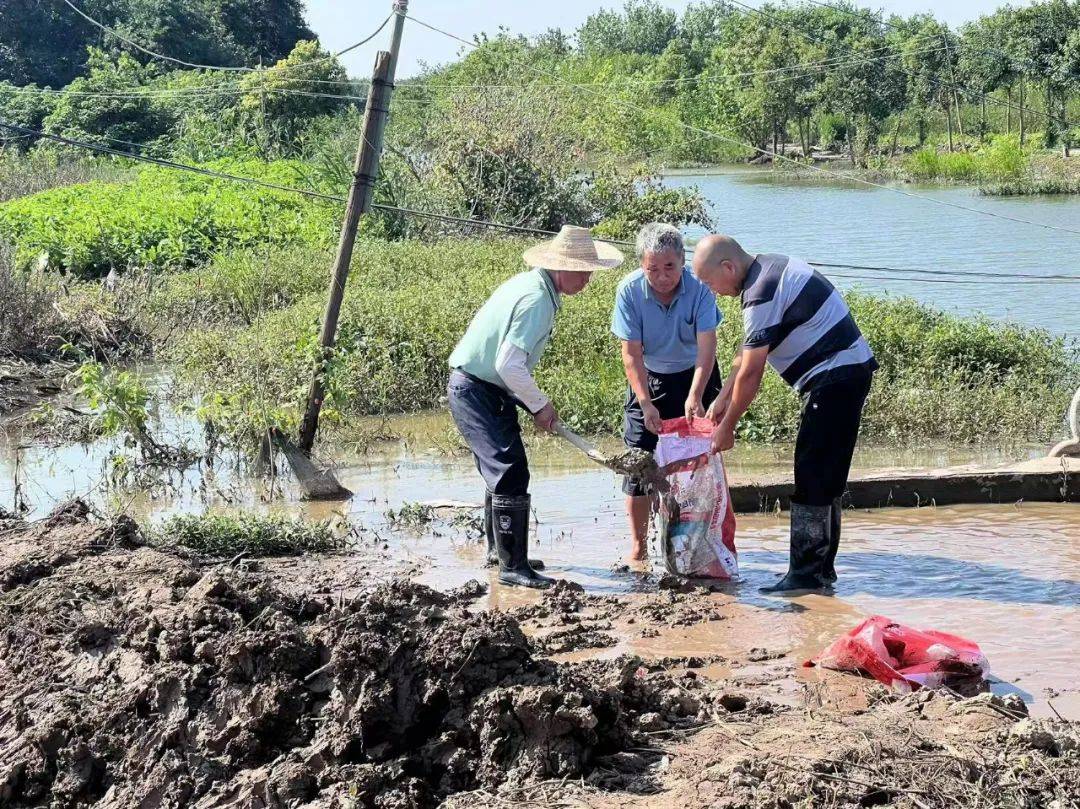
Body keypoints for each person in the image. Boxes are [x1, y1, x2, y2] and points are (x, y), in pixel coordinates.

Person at [691, 235, 877, 594]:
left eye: (710, 283)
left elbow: (752, 371)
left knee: (813, 474)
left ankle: (807, 576)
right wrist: (722, 400)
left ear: (728, 267)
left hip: (835, 378)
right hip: (846, 374)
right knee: (825, 475)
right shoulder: (768, 270)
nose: (712, 291)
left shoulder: (760, 292)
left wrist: (728, 426)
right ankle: (821, 572)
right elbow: (744, 357)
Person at [447, 225, 624, 589]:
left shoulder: (531, 286)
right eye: (584, 271)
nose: (588, 280)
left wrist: (529, 402)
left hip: (485, 388)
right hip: (477, 390)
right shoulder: (536, 301)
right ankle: (513, 567)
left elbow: (507, 367)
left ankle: (503, 553)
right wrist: (541, 405)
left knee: (499, 470)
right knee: (510, 471)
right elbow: (509, 364)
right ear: (562, 266)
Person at [611, 223, 724, 562]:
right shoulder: (629, 291)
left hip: (695, 374)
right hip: (650, 376)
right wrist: (645, 403)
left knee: (700, 460)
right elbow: (631, 354)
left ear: (682, 261)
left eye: (670, 267)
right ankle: (639, 545)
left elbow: (707, 348)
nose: (662, 276)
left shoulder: (700, 289)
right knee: (639, 463)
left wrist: (696, 395)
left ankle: (698, 540)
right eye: (652, 269)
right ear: (642, 266)